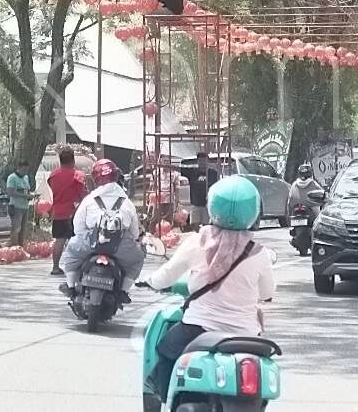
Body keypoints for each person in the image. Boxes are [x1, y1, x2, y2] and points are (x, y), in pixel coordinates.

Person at [137, 176, 275, 408]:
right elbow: (267, 292)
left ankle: (165, 397)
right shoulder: (259, 253)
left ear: (213, 206)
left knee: (164, 349)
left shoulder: (198, 242)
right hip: (246, 335)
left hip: (198, 329)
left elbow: (167, 275)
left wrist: (149, 281)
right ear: (254, 211)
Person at [58, 159, 144, 302]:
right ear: (116, 176)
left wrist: (82, 238)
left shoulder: (90, 199)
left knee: (71, 255)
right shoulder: (126, 201)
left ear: (95, 178)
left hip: (90, 242)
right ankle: (123, 291)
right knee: (137, 260)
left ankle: (71, 286)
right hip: (120, 246)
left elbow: (78, 225)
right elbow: (134, 231)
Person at [48, 147, 87, 276]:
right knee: (77, 240)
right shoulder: (77, 175)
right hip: (74, 212)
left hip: (58, 211)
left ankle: (55, 267)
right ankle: (76, 267)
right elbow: (82, 194)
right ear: (73, 160)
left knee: (59, 240)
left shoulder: (53, 175)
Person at [186, 152, 220, 231]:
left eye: (204, 160)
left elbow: (218, 187)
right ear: (197, 161)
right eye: (200, 161)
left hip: (207, 204)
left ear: (207, 161)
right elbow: (177, 168)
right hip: (195, 203)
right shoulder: (192, 172)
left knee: (207, 225)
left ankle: (204, 238)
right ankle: (198, 237)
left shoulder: (213, 173)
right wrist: (161, 165)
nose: (202, 163)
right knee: (194, 224)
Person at [6, 160, 34, 246]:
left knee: (23, 230)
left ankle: (21, 246)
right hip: (16, 206)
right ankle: (14, 246)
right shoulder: (12, 178)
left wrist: (30, 196)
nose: (25, 172)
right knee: (16, 228)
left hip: (25, 206)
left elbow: (27, 191)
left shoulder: (26, 177)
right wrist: (24, 196)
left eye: (27, 170)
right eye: (24, 170)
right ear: (18, 168)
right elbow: (10, 192)